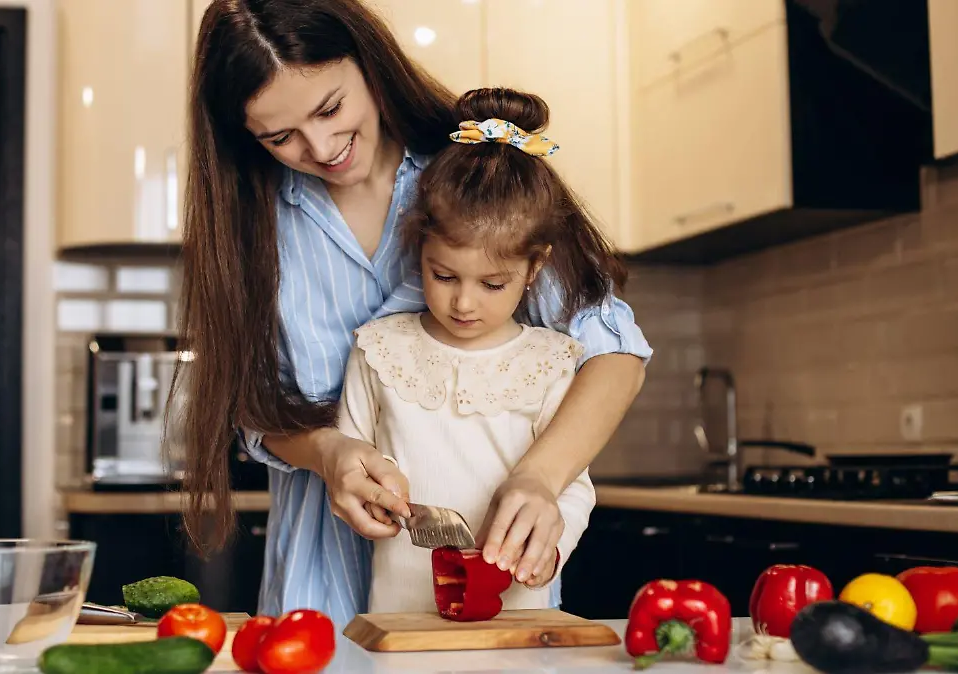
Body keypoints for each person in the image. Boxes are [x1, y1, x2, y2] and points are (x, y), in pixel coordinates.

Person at [172, 0, 653, 629]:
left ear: (370, 64)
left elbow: (615, 352)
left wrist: (540, 478)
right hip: (315, 585)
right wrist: (328, 452)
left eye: (329, 108)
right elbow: (255, 406)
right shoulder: (250, 219)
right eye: (280, 136)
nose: (321, 147)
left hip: (485, 589)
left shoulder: (479, 177)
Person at [337, 87, 602, 614]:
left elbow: (575, 489)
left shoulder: (552, 363)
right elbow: (352, 460)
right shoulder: (379, 350)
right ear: (420, 251)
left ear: (534, 268)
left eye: (493, 284)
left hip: (517, 613)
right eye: (443, 275)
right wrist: (370, 498)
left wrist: (547, 551)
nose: (463, 302)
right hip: (399, 614)